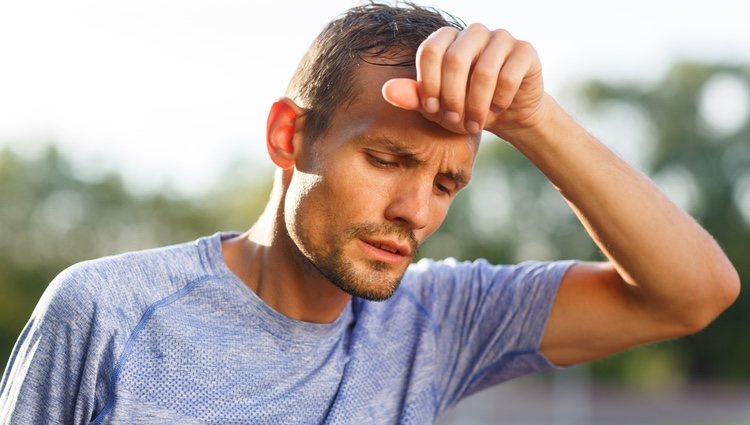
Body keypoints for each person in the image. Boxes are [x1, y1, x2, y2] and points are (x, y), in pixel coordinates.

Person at [0, 2, 740, 424]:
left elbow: (694, 291)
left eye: (449, 184)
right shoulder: (103, 310)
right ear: (289, 137)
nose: (416, 210)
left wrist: (533, 119)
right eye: (388, 160)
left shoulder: (440, 322)